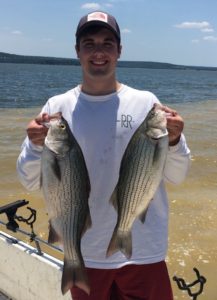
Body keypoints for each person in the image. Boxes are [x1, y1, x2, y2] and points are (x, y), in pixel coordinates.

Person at [17, 11, 191, 300]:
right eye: (89, 44)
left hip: (143, 251)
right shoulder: (57, 106)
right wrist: (34, 146)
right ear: (77, 51)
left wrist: (174, 140)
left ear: (119, 51)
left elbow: (177, 175)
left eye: (107, 44)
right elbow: (29, 181)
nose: (99, 52)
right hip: (84, 253)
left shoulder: (147, 104)